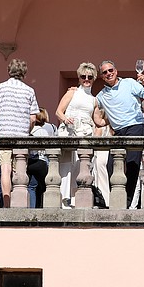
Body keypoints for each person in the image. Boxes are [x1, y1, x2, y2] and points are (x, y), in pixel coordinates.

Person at [93, 59, 144, 208]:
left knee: (132, 165)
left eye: (111, 70)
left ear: (116, 71)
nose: (109, 73)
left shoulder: (129, 82)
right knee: (110, 166)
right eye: (105, 72)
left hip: (135, 126)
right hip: (118, 132)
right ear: (102, 76)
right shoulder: (101, 96)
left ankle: (126, 201)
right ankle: (116, 197)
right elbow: (94, 112)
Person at [0, 59, 40, 206]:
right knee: (20, 170)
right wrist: (26, 129)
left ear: (9, 71)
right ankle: (20, 202)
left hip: (4, 133)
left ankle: (6, 202)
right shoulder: (29, 90)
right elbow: (33, 118)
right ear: (24, 72)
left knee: (5, 169)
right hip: (21, 135)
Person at [55, 62, 100, 207]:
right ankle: (63, 201)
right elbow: (58, 111)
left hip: (85, 134)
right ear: (79, 78)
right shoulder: (72, 92)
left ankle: (75, 201)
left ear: (94, 78)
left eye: (90, 77)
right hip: (68, 132)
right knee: (66, 167)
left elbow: (98, 120)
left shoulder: (94, 100)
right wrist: (65, 119)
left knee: (80, 168)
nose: (86, 79)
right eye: (83, 76)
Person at [27, 109, 52, 208]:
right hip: (41, 161)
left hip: (31, 161)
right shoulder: (45, 131)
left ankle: (32, 208)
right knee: (43, 187)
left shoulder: (29, 130)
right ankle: (42, 206)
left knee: (31, 186)